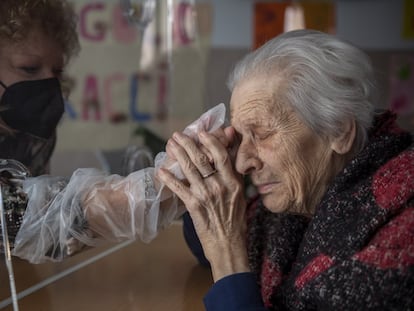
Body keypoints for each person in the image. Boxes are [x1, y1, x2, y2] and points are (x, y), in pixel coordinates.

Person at [157, 29, 414, 310]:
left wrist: (227, 251)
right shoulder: (300, 205)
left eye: (263, 134)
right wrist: (205, 180)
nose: (242, 163)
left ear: (338, 130)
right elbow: (208, 250)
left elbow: (229, 256)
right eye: (240, 138)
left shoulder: (401, 235)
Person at [0, 0, 229, 264]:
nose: (47, 82)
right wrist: (148, 190)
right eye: (29, 68)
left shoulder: (31, 134)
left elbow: (40, 237)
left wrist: (173, 194)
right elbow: (19, 217)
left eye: (57, 71)